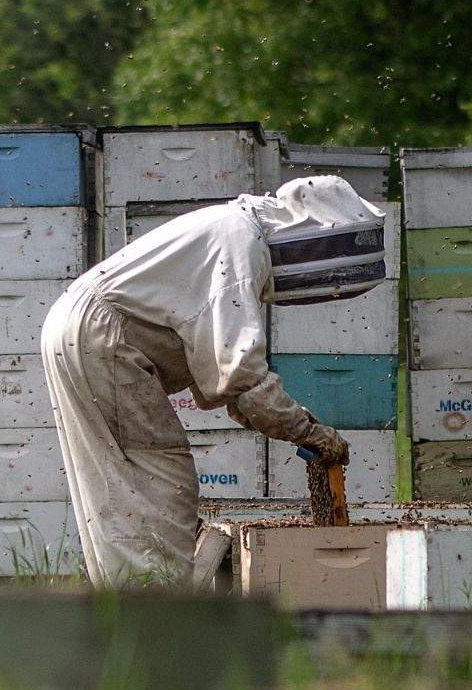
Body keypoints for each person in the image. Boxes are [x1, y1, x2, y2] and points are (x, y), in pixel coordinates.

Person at [42, 175, 387, 585]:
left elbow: (232, 385)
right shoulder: (241, 243)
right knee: (156, 478)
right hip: (104, 336)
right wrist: (307, 431)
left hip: (89, 330)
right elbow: (240, 376)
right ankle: (155, 611)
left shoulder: (237, 230)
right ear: (311, 230)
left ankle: (136, 609)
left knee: (124, 480)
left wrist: (296, 424)